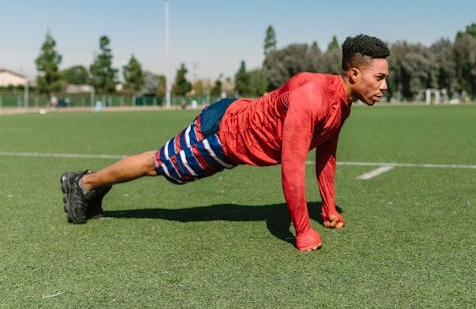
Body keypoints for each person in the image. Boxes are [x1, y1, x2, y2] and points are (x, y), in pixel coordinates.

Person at [61, 34, 390, 251]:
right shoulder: (311, 98)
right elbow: (292, 167)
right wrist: (302, 231)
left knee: (160, 166)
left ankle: (90, 184)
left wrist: (329, 209)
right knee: (158, 165)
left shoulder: (342, 104)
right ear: (354, 74)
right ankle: (84, 183)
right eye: (380, 77)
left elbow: (326, 156)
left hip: (235, 132)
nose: (384, 85)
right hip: (221, 134)